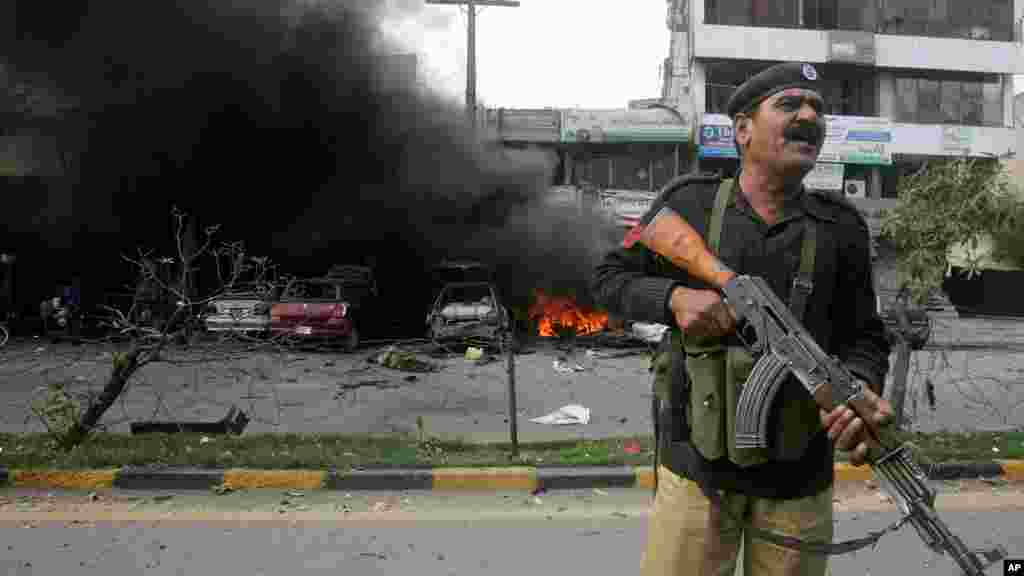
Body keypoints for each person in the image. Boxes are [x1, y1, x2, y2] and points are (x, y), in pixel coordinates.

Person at [591, 62, 893, 576]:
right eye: (789, 104)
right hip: (697, 474)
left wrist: (857, 386)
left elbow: (865, 335)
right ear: (742, 130)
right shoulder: (687, 203)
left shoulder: (841, 228)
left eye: (818, 108)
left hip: (799, 481)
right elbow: (607, 279)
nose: (809, 116)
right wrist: (672, 299)